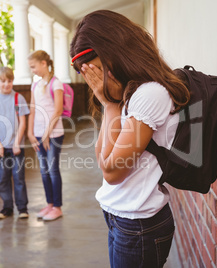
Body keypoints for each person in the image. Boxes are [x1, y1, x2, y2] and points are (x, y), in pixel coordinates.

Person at [70, 10, 190, 268]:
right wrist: (109, 102)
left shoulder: (150, 94)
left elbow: (113, 172)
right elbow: (103, 157)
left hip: (139, 226)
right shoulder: (130, 93)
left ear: (117, 52)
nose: (96, 81)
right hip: (121, 218)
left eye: (98, 70)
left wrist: (109, 105)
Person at [0, 67, 30, 219]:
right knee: (4, 178)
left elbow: (23, 122)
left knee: (19, 178)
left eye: (9, 81)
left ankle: (22, 208)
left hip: (16, 147)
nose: (6, 84)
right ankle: (7, 207)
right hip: (1, 148)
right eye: (3, 81)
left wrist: (17, 142)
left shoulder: (18, 98)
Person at [27, 50, 65, 221]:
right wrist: (30, 132)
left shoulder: (56, 84)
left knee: (53, 170)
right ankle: (49, 204)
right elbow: (32, 109)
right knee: (44, 171)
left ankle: (57, 207)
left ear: (44, 63)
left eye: (33, 66)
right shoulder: (35, 85)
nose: (32, 70)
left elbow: (58, 110)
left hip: (54, 134)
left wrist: (47, 134)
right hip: (38, 134)